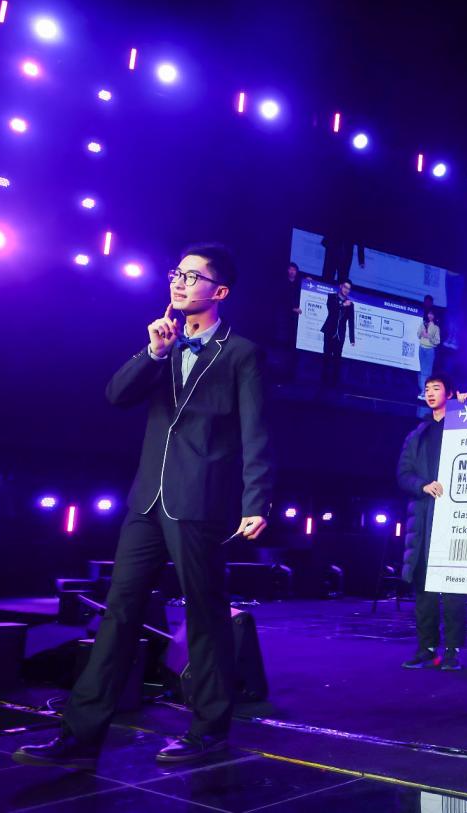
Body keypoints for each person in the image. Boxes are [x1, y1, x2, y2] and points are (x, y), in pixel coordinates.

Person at [15, 244, 274, 769]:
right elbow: (116, 395)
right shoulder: (163, 342)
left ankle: (208, 730)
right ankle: (80, 735)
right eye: (177, 273)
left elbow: (256, 431)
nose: (179, 282)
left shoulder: (241, 353)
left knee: (205, 615)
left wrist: (256, 500)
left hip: (198, 500)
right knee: (119, 613)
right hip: (145, 500)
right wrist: (155, 353)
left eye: (193, 276)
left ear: (220, 291)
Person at [398, 374, 467, 670]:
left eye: (436, 388)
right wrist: (423, 485)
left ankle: (452, 650)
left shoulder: (464, 423)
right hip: (424, 517)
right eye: (427, 389)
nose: (430, 393)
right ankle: (426, 648)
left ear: (449, 394)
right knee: (423, 587)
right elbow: (403, 474)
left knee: (453, 587)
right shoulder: (418, 434)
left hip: (456, 515)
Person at [320, 279, 356, 387]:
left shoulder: (351, 304)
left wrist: (352, 339)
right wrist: (342, 305)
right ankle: (323, 381)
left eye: (349, 289)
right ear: (341, 286)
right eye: (345, 287)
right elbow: (332, 310)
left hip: (340, 334)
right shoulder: (331, 297)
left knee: (337, 359)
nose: (346, 290)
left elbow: (351, 322)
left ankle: (334, 383)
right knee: (326, 356)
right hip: (329, 331)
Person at [273, 262, 304, 382]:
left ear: (296, 272)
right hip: (284, 317)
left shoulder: (299, 284)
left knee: (293, 345)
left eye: (294, 270)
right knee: (282, 344)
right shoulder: (282, 283)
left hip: (295, 320)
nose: (291, 271)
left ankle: (291, 373)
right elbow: (280, 299)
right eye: (290, 269)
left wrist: (309, 282)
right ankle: (279, 371)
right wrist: (292, 308)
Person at [416, 310, 442, 399]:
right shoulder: (423, 324)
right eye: (429, 314)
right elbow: (418, 335)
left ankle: (425, 392)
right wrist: (422, 333)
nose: (430, 315)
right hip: (421, 349)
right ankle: (423, 391)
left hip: (430, 350)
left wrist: (429, 337)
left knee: (427, 372)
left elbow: (437, 341)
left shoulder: (436, 327)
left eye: (432, 314)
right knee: (422, 371)